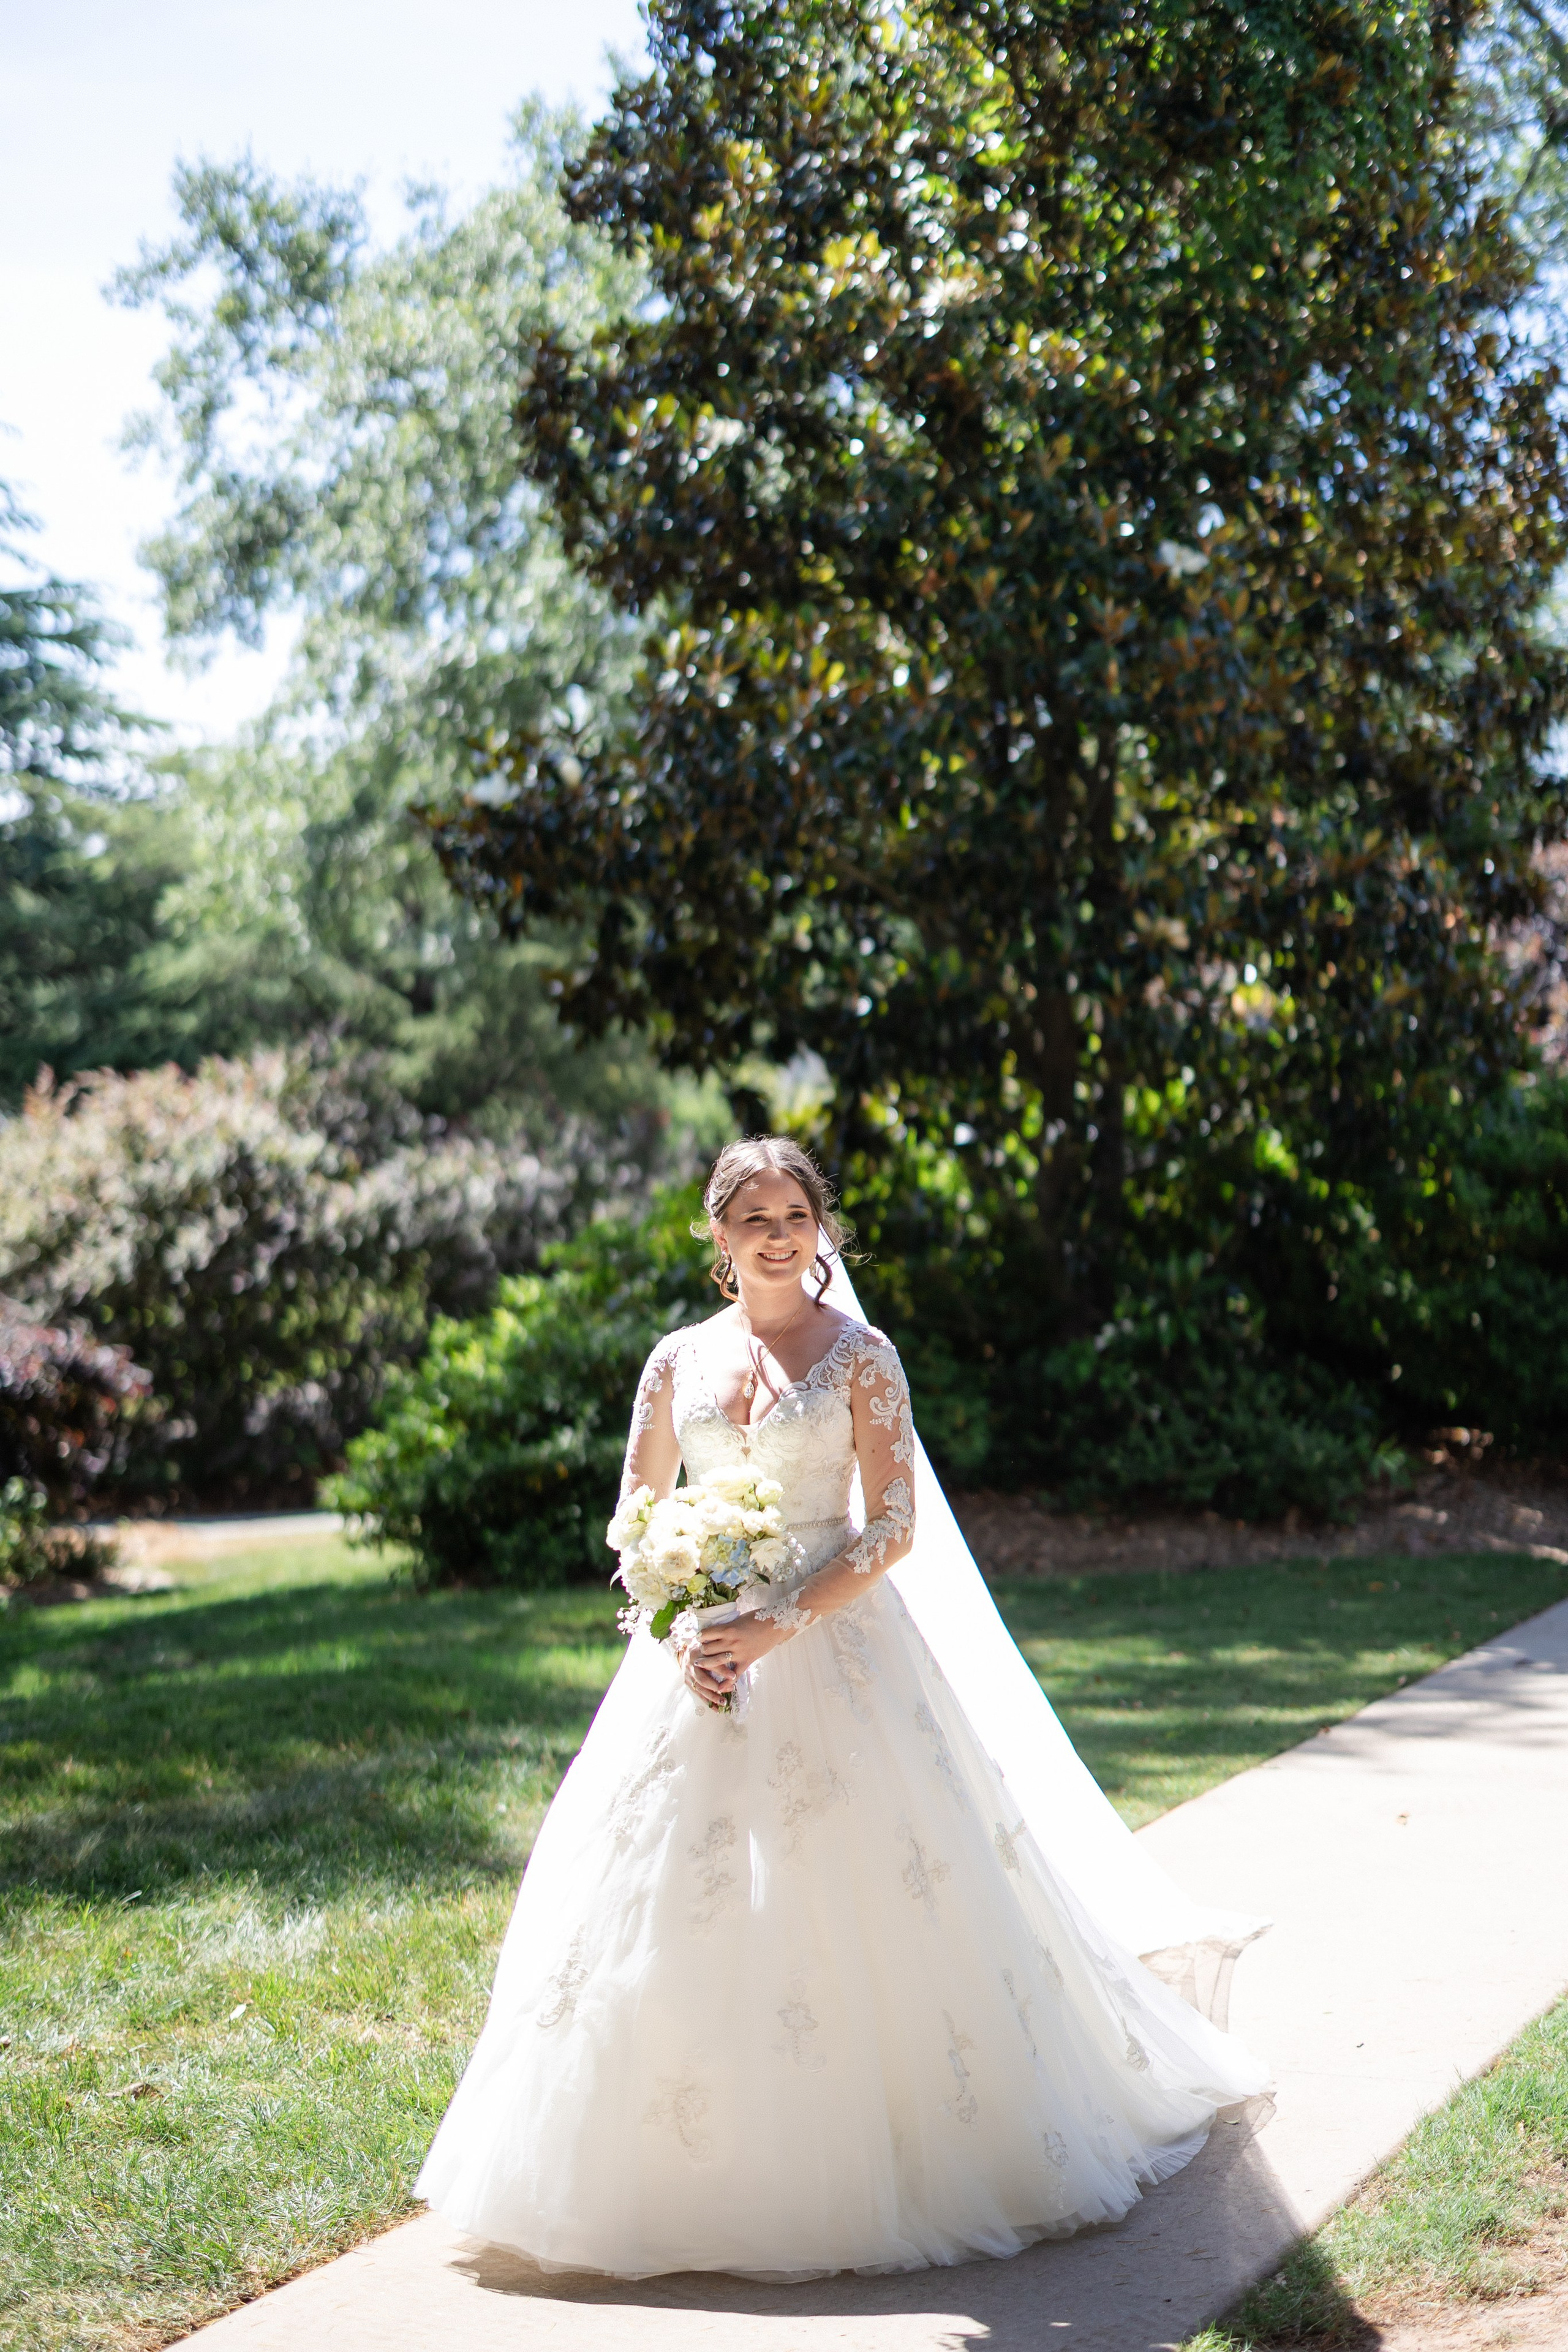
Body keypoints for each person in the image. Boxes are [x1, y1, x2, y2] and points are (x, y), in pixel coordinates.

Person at [417, 1137, 1267, 2278]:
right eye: (754, 1216)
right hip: (699, 1656)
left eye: (796, 1213)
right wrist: (683, 1635)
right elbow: (637, 1514)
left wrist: (780, 1623)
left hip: (840, 1645)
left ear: (823, 1229)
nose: (778, 1233)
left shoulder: (865, 1358)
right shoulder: (675, 1361)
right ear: (718, 1237)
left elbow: (893, 1526)